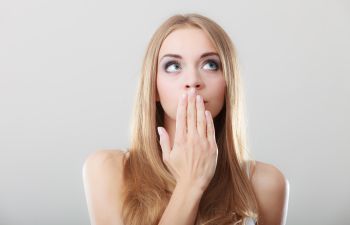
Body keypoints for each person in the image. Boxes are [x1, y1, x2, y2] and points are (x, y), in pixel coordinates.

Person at [82, 13, 289, 225]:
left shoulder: (265, 183)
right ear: (153, 88)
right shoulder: (109, 169)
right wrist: (191, 183)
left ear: (228, 83)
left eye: (210, 65)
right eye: (173, 66)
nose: (192, 81)